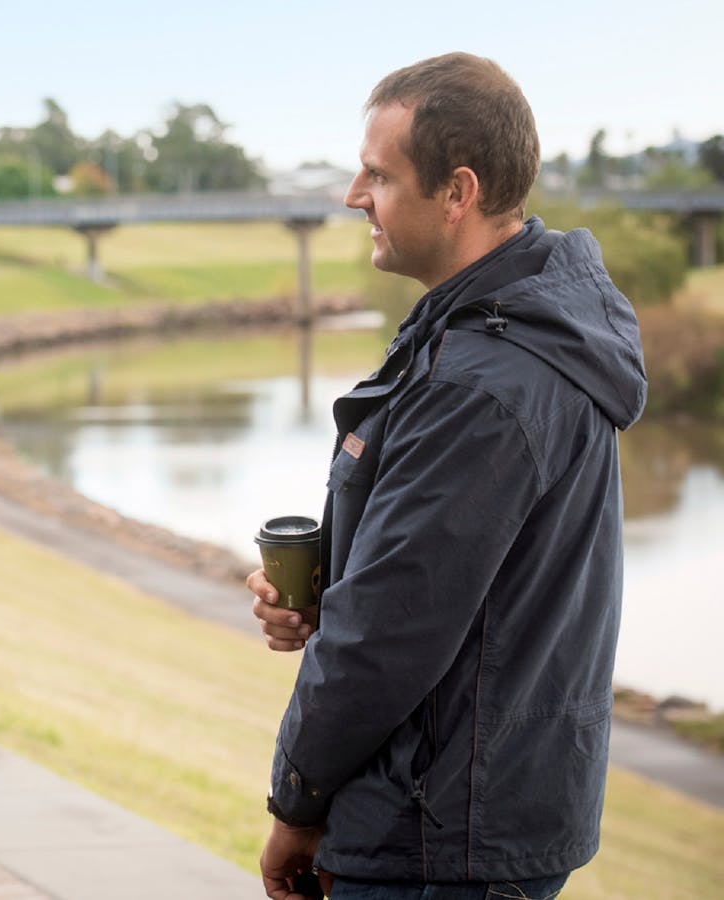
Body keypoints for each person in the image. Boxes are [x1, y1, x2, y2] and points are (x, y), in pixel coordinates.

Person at [249, 53, 646, 900]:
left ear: (457, 192)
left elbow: (387, 637)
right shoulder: (505, 328)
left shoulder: (484, 382)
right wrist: (332, 586)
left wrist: (296, 800)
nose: (354, 195)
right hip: (474, 817)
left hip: (436, 837)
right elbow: (453, 587)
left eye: (378, 175)